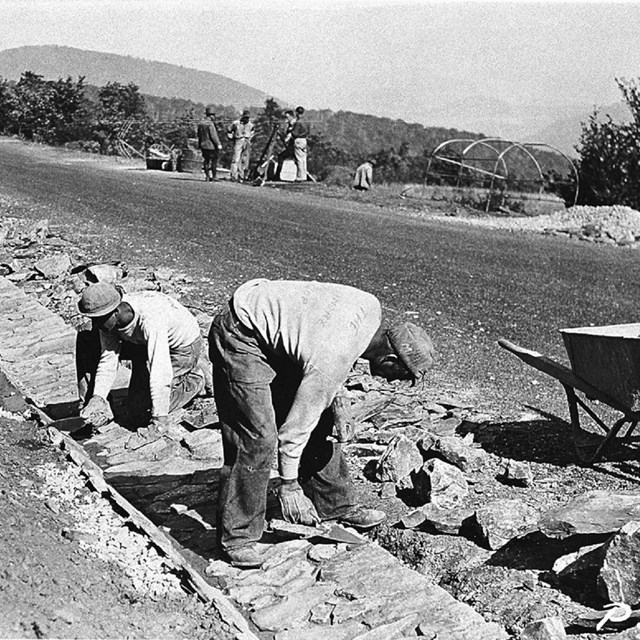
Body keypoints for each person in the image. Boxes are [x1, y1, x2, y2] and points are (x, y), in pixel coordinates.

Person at [209, 279, 435, 568]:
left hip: (277, 333)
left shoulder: (370, 308)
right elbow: (295, 428)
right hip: (241, 333)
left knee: (323, 416)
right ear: (390, 359)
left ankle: (333, 504)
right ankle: (237, 536)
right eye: (399, 375)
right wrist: (288, 485)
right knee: (257, 437)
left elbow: (317, 339)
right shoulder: (334, 353)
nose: (392, 382)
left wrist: (338, 401)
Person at [77, 283, 206, 430]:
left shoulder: (151, 319)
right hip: (141, 343)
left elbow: (160, 371)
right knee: (86, 336)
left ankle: (196, 379)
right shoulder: (108, 321)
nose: (95, 324)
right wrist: (97, 397)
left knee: (145, 412)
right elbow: (108, 360)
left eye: (98, 319)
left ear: (115, 312)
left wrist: (159, 418)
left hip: (180, 348)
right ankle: (92, 407)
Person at [283, 106, 310, 182]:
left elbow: (295, 133)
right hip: (304, 140)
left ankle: (300, 177)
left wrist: (289, 133)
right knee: (303, 159)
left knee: (299, 159)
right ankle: (303, 176)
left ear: (297, 113)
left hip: (298, 140)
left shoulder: (298, 122)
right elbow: (308, 132)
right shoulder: (306, 121)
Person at [227, 109, 255, 182]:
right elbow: (229, 130)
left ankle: (241, 176)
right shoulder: (236, 123)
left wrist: (250, 138)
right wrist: (231, 137)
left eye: (248, 117)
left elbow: (253, 132)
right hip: (238, 140)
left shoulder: (251, 125)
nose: (246, 119)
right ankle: (233, 175)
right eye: (245, 117)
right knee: (236, 159)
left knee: (244, 160)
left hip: (247, 141)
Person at [197, 105, 222, 182]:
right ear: (211, 115)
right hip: (211, 146)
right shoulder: (210, 124)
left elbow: (198, 134)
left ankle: (207, 176)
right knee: (214, 161)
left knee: (206, 161)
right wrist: (218, 144)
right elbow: (213, 135)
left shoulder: (201, 123)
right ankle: (214, 176)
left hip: (203, 145)